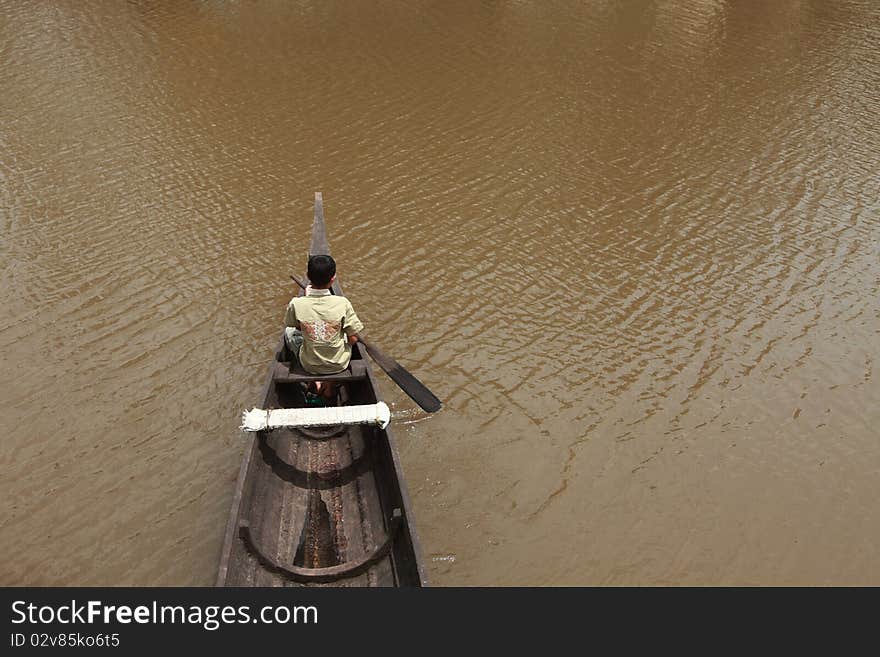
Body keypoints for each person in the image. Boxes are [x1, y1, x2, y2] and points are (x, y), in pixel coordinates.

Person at [283, 254, 363, 403]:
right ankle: (329, 386)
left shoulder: (296, 303)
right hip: (339, 363)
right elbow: (353, 338)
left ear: (307, 276)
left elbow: (294, 325)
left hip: (309, 364)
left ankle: (316, 382)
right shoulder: (343, 303)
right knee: (343, 337)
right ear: (333, 279)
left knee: (289, 333)